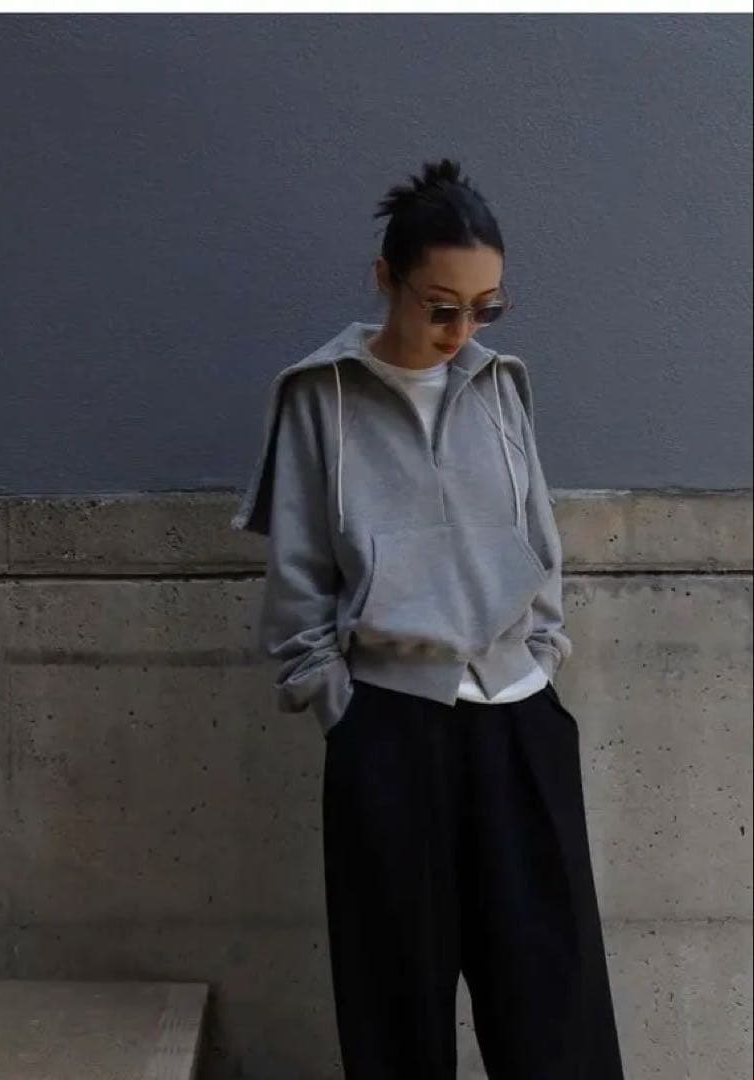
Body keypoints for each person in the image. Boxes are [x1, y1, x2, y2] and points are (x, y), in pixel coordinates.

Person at [230, 158, 625, 1079]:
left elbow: (538, 536)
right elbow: (298, 574)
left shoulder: (499, 385)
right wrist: (338, 704)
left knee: (555, 1013)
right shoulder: (318, 397)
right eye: (441, 307)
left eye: (486, 309)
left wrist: (540, 654)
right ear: (385, 279)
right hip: (389, 729)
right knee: (396, 1008)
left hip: (518, 722)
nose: (461, 332)